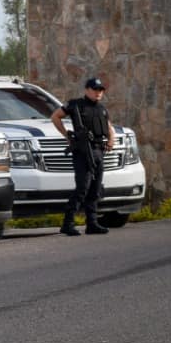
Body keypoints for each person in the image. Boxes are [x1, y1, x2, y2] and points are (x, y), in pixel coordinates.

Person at [50, 77, 115, 236]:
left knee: (96, 188)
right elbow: (55, 116)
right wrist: (67, 135)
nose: (98, 93)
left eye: (100, 90)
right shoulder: (76, 105)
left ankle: (92, 223)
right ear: (87, 90)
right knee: (82, 188)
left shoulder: (102, 109)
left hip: (99, 151)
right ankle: (68, 223)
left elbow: (109, 127)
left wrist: (112, 140)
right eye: (95, 89)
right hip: (83, 152)